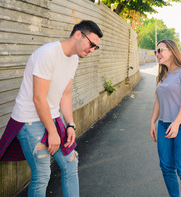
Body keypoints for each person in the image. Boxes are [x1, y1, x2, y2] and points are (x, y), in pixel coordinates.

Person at [0, 20, 103, 197]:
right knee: (42, 175)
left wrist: (70, 124)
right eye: (91, 44)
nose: (92, 50)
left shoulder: (73, 60)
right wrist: (52, 132)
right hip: (29, 119)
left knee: (71, 163)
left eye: (95, 47)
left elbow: (66, 94)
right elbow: (39, 98)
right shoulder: (47, 54)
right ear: (78, 34)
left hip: (52, 116)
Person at [150, 39, 181, 197]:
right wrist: (152, 122)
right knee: (166, 167)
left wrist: (177, 123)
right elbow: (158, 100)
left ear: (171, 51)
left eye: (160, 50)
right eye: (156, 51)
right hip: (164, 125)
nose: (157, 54)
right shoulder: (163, 75)